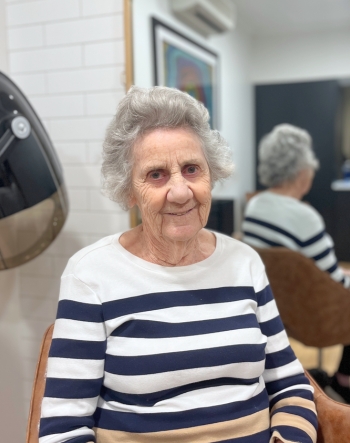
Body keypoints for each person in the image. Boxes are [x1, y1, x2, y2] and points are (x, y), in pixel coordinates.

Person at [39, 88, 317, 443]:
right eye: (156, 174)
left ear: (211, 176)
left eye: (191, 169)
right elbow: (63, 429)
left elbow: (291, 384)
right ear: (129, 191)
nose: (181, 191)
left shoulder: (244, 262)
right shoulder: (91, 275)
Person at [243, 123, 350, 404]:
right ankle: (344, 382)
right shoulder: (305, 217)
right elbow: (336, 282)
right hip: (317, 319)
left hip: (277, 313)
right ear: (302, 172)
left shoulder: (255, 205)